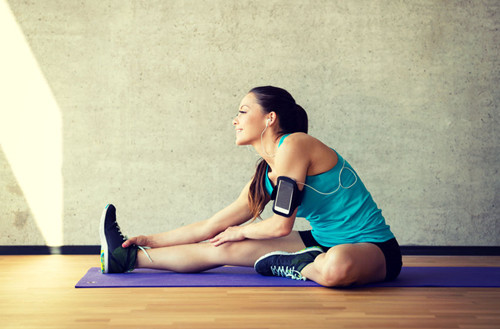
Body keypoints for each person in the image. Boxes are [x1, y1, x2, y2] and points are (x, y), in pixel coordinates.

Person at [99, 86, 402, 287]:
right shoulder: (264, 177)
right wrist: (148, 240)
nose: (235, 120)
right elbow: (211, 226)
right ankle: (125, 258)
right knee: (220, 246)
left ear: (270, 118)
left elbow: (281, 226)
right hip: (319, 242)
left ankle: (297, 264)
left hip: (372, 248)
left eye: (243, 111)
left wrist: (241, 231)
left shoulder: (296, 144)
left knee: (337, 268)